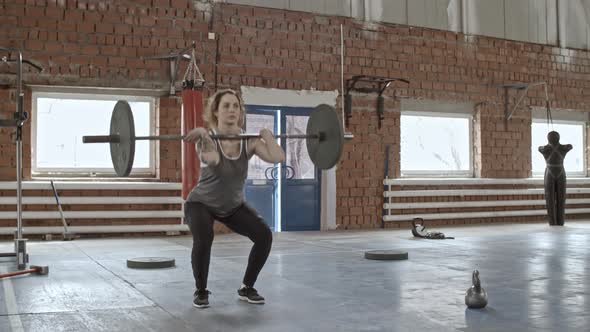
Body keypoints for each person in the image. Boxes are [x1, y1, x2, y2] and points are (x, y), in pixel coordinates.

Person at [183, 89, 285, 308]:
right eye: (226, 106)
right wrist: (203, 135)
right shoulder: (206, 138)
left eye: (235, 106)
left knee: (264, 236)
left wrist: (269, 137)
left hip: (232, 205)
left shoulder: (249, 141)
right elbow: (213, 160)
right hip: (201, 203)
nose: (231, 110)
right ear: (216, 112)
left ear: (240, 112)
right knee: (204, 239)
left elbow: (277, 157)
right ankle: (201, 291)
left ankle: (247, 287)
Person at [538, 131, 572, 226]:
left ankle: (553, 222)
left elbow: (539, 148)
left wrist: (548, 145)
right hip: (560, 171)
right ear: (558, 138)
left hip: (550, 172)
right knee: (561, 198)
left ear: (548, 138)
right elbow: (570, 146)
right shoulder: (563, 148)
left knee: (550, 198)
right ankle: (560, 221)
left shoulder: (545, 149)